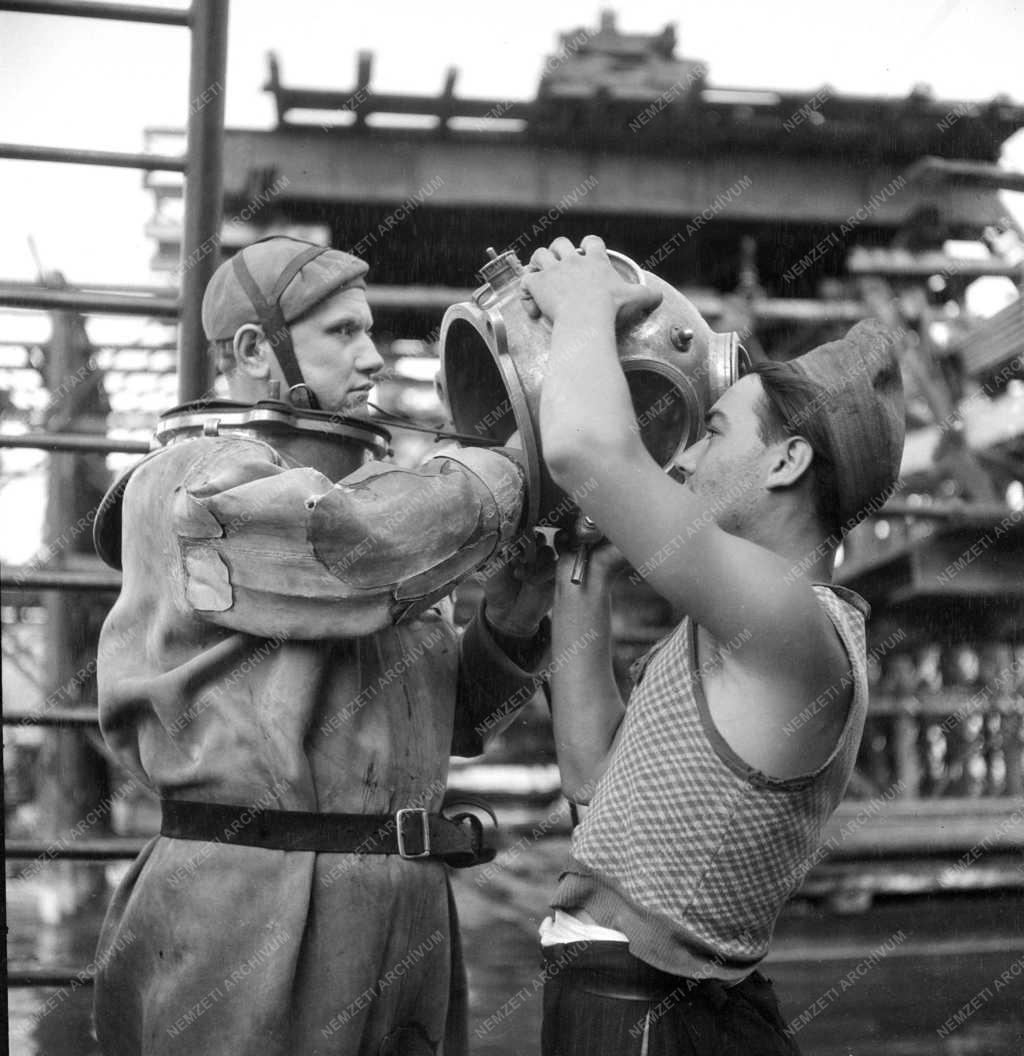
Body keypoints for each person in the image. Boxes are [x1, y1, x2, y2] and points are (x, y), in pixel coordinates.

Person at [90, 236, 554, 1056]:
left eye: (368, 331)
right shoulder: (192, 477)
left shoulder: (378, 508)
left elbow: (447, 727)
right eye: (342, 332)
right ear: (252, 352)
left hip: (404, 911)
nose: (372, 356)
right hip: (251, 910)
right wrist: (517, 469)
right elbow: (348, 553)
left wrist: (508, 627)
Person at [520, 235, 905, 1054]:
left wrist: (584, 301)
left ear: (787, 461)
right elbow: (592, 774)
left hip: (658, 1013)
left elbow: (587, 447)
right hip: (626, 998)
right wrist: (582, 555)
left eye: (716, 431)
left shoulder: (792, 619)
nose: (688, 455)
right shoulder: (733, 630)